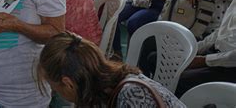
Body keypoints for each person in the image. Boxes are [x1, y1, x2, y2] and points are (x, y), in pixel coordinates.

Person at [37, 32, 185, 107]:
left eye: (54, 88)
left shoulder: (132, 95)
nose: (56, 93)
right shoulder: (98, 90)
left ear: (68, 83)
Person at [175, 0, 236, 97]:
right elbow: (221, 31)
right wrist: (193, 49)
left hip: (230, 66)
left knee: (179, 79)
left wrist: (204, 61)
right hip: (216, 53)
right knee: (157, 58)